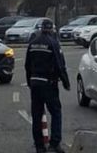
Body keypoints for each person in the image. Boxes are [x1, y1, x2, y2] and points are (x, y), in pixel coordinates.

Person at [24, 18, 70, 153]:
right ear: (51, 29)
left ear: (41, 29)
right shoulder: (53, 43)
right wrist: (66, 82)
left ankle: (39, 146)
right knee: (56, 112)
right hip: (49, 83)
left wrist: (29, 82)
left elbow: (27, 65)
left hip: (35, 83)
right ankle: (54, 143)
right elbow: (60, 64)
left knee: (37, 115)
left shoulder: (32, 43)